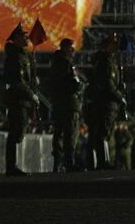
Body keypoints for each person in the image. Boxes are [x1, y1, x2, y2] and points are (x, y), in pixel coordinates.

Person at [85, 33, 127, 169]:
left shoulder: (108, 60)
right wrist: (119, 95)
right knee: (103, 132)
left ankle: (103, 161)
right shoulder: (105, 62)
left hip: (108, 101)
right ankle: (104, 161)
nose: (115, 47)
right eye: (112, 44)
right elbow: (108, 83)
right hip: (106, 101)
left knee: (105, 132)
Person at [2, 23, 38, 176]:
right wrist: (32, 95)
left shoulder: (23, 55)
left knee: (18, 130)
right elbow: (18, 81)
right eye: (23, 36)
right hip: (17, 99)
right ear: (16, 39)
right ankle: (11, 167)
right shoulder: (15, 57)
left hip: (22, 99)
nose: (26, 38)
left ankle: (12, 166)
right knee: (16, 131)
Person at [49, 38, 83, 171]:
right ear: (65, 48)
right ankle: (69, 162)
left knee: (59, 132)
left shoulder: (56, 63)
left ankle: (58, 163)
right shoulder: (65, 64)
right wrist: (79, 86)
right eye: (71, 47)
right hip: (68, 103)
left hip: (59, 102)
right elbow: (71, 84)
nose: (73, 50)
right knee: (70, 133)